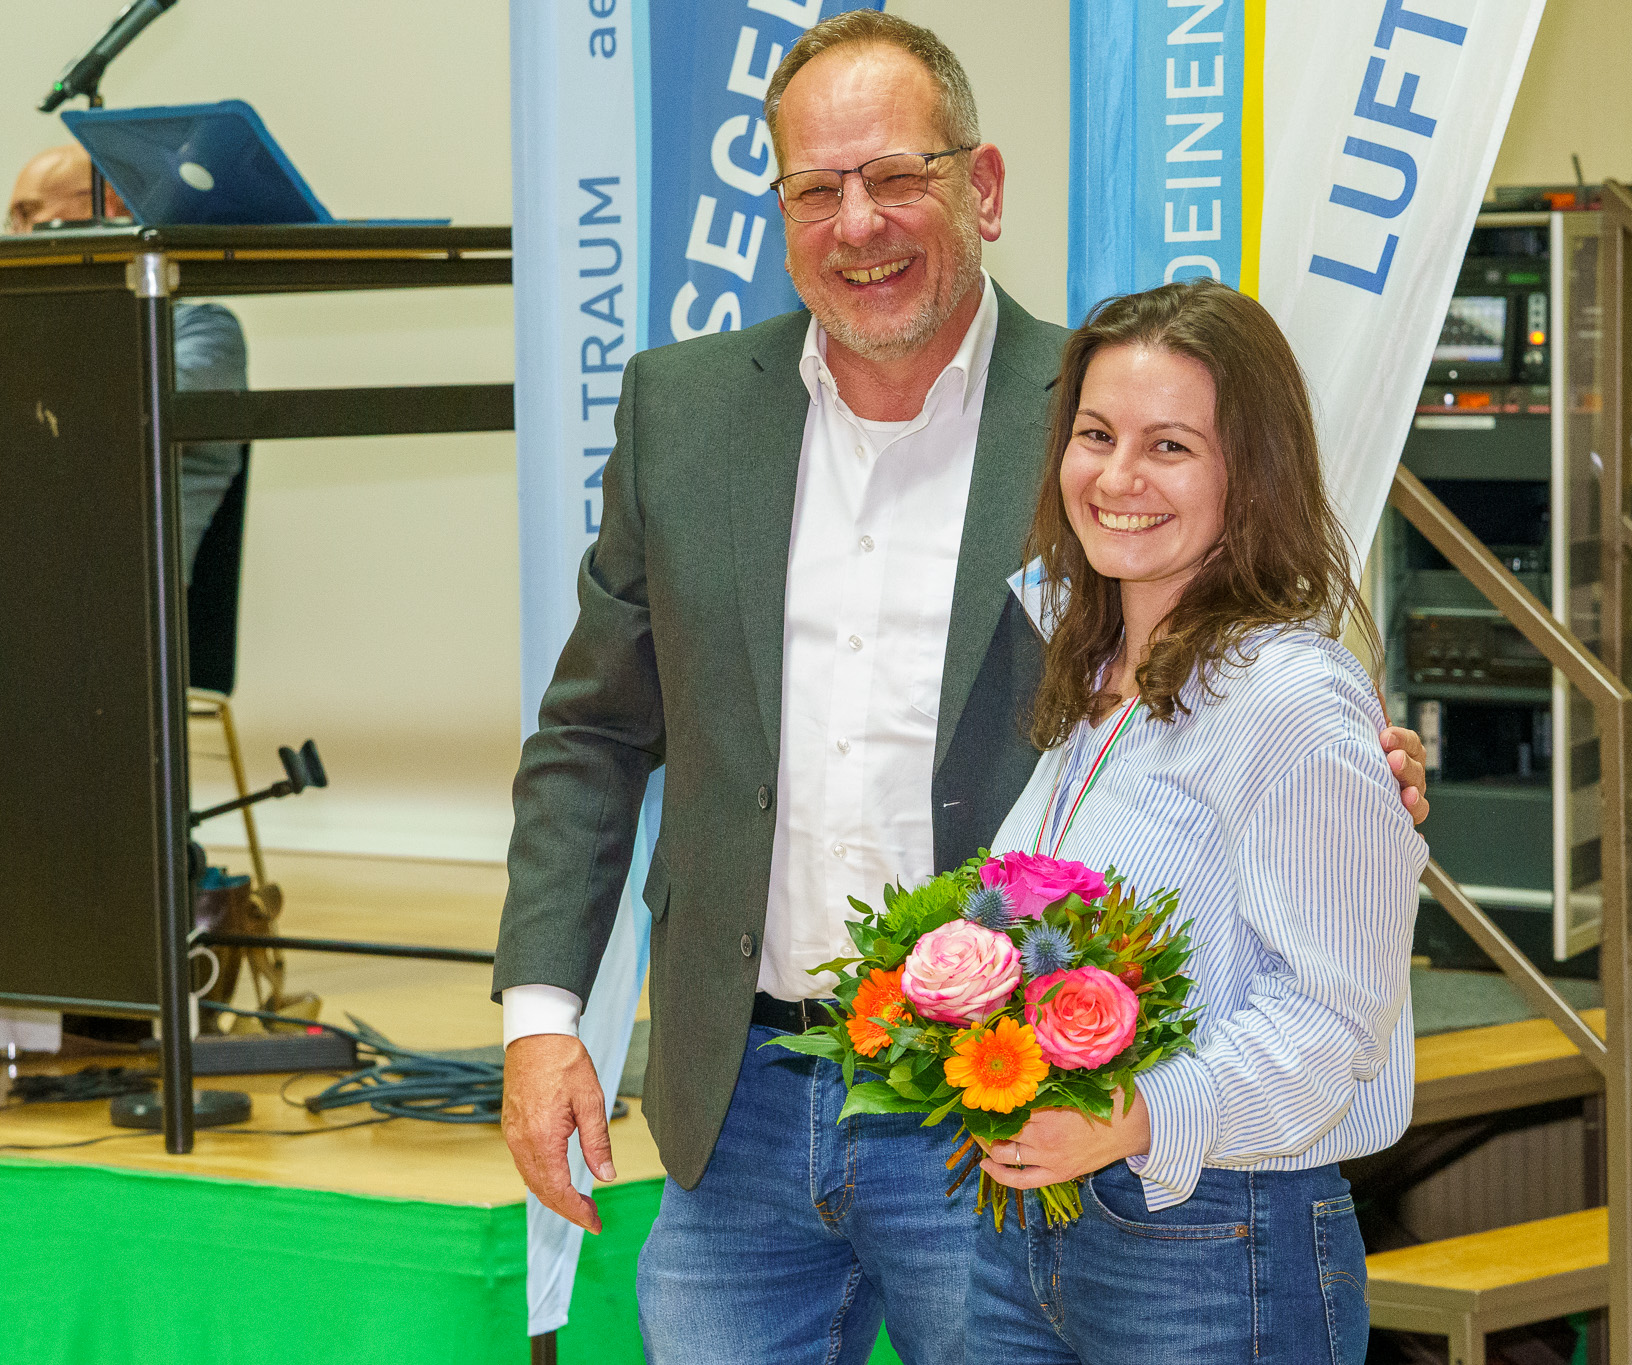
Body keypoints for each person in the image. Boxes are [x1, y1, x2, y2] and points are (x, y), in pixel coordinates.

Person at [490, 13, 1429, 1363]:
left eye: (896, 177)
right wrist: (541, 1021)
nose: (858, 223)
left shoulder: (1099, 414)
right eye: (816, 188)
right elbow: (590, 732)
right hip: (736, 1099)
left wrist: (1357, 766)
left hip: (1002, 1114)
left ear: (980, 187)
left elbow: (1251, 654)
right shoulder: (680, 411)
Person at [971, 278, 1426, 1364]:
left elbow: (1333, 1022)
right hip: (1031, 1236)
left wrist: (1131, 1116)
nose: (1115, 477)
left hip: (1216, 1246)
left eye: (1168, 446)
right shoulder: (1089, 667)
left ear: (1249, 474)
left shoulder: (1288, 698)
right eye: (1095, 435)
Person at [7, 144, 249, 583]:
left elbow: (121, 419)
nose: (15, 233)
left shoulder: (200, 330)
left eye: (27, 212)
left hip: (109, 597)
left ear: (110, 205)